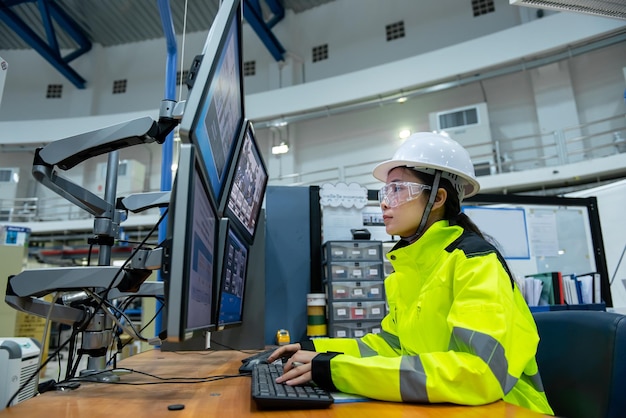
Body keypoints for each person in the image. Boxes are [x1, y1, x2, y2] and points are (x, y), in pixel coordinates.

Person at [268, 132, 554, 415]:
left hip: (510, 408)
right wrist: (315, 349)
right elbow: (392, 346)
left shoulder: (475, 263)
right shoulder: (409, 270)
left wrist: (337, 370)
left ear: (438, 197)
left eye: (397, 189)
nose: (384, 202)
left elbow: (480, 373)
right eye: (385, 191)